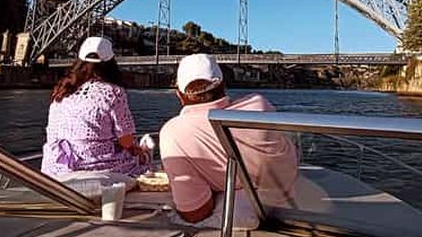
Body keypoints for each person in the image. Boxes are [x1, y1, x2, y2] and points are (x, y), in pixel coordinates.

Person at [159, 53, 298, 223]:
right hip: (292, 204)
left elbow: (195, 213)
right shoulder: (260, 104)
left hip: (247, 218)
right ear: (223, 84)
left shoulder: (173, 133)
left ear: (179, 95)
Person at [42, 36, 149, 178]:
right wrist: (138, 151)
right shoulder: (112, 92)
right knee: (144, 157)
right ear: (111, 63)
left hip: (56, 168)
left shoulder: (61, 90)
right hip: (95, 169)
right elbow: (126, 141)